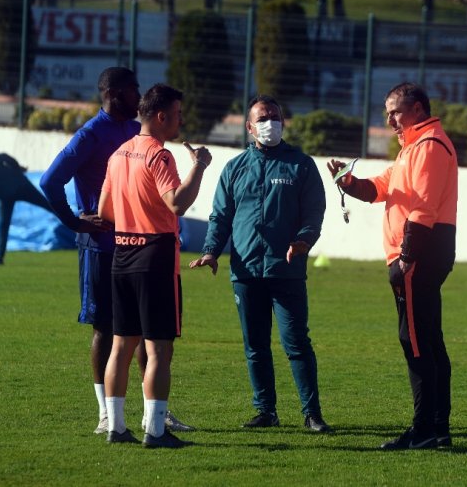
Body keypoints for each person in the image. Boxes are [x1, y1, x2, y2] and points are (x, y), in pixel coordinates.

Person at [40, 67, 193, 436]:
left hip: (127, 245)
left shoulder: (129, 137)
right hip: (110, 247)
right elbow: (49, 180)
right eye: (133, 89)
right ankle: (111, 414)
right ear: (115, 92)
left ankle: (147, 413)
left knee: (135, 335)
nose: (137, 95)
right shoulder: (92, 134)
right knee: (110, 330)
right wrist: (76, 222)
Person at [189, 95, 331, 433]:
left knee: (296, 343)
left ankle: (312, 414)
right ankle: (266, 410)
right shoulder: (235, 168)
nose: (271, 123)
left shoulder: (301, 165)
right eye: (263, 118)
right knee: (255, 346)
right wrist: (211, 250)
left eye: (275, 117)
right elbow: (220, 216)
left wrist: (303, 240)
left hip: (287, 270)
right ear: (250, 127)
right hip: (246, 271)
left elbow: (314, 211)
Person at [327, 82, 457, 450]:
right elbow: (382, 189)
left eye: (395, 111)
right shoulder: (414, 147)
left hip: (419, 254)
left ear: (417, 109)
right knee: (427, 341)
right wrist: (347, 182)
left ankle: (425, 430)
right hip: (424, 252)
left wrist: (407, 256)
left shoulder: (428, 145)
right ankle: (437, 428)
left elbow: (423, 207)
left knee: (415, 341)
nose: (389, 119)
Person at [97, 83, 211, 448]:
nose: (180, 120)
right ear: (161, 116)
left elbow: (104, 213)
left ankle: (116, 427)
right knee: (158, 348)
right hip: (155, 255)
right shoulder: (159, 156)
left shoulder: (118, 154)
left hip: (121, 254)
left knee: (121, 346)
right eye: (177, 114)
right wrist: (199, 168)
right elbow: (177, 203)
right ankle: (156, 431)